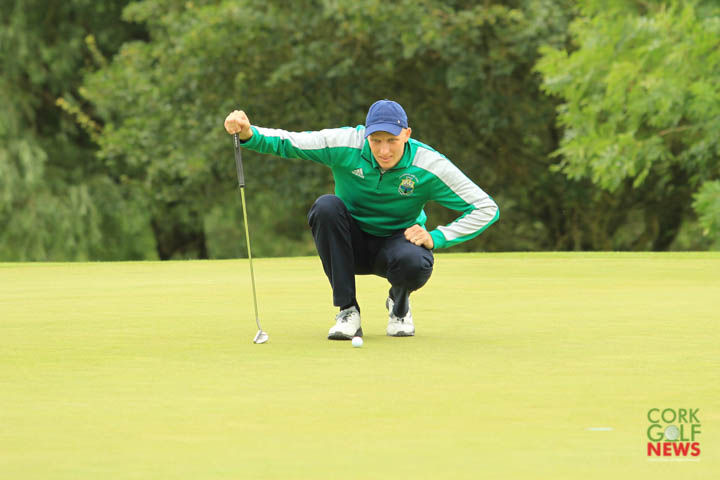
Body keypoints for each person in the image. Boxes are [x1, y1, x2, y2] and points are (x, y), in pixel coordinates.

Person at [224, 100, 499, 340]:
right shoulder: (346, 143)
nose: (384, 150)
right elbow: (290, 142)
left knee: (415, 261)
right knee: (326, 207)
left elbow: (486, 207)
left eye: (392, 140)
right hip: (350, 245)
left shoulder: (429, 164)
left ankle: (399, 307)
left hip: (397, 245)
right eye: (376, 140)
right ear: (365, 134)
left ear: (407, 134)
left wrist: (437, 237)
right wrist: (249, 133)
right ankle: (348, 312)